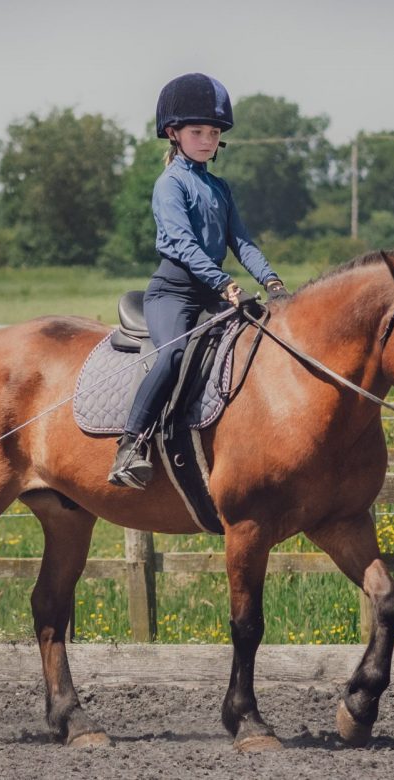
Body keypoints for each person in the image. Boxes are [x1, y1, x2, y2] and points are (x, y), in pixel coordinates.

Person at [108, 72, 291, 490]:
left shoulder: (220, 187)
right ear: (174, 134)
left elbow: (241, 240)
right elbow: (185, 247)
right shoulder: (169, 184)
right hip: (173, 292)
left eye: (213, 132)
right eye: (197, 132)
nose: (207, 139)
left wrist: (272, 280)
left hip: (212, 290)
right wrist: (228, 286)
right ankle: (130, 445)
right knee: (172, 356)